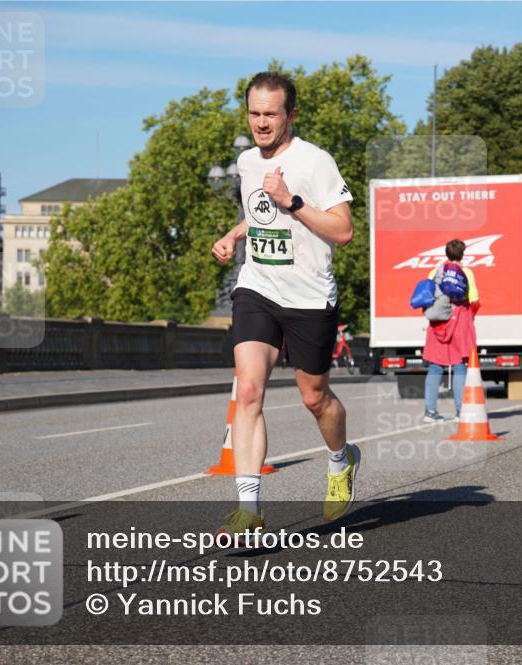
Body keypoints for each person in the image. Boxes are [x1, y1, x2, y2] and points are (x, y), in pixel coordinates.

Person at [211, 72, 358, 532]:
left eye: (270, 114)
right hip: (258, 286)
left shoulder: (316, 163)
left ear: (290, 114)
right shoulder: (246, 161)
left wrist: (292, 201)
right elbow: (259, 213)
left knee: (315, 398)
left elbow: (344, 231)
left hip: (310, 296)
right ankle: (248, 508)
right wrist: (234, 234)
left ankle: (340, 460)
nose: (260, 123)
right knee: (249, 390)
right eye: (254, 114)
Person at [422, 239, 479, 422]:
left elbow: (427, 295)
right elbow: (474, 300)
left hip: (438, 322)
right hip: (459, 321)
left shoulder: (434, 271)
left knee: (435, 366)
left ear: (446, 253)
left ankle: (430, 412)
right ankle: (460, 411)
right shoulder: (466, 272)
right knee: (459, 365)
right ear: (462, 254)